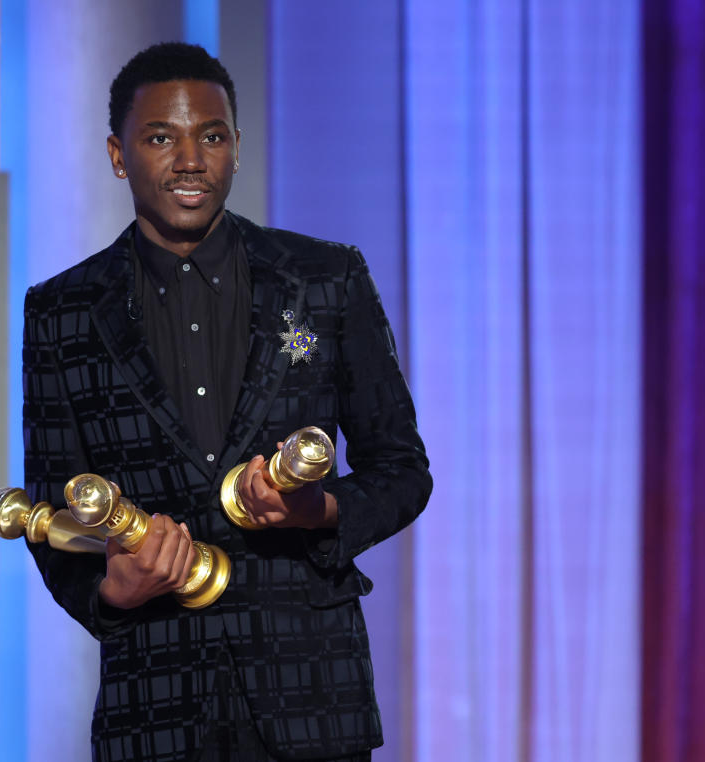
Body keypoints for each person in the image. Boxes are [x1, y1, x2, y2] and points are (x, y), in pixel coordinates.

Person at [23, 42, 432, 762]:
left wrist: (321, 510)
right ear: (118, 155)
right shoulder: (61, 311)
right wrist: (111, 592)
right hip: (153, 703)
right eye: (161, 138)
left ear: (237, 148)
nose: (190, 160)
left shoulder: (326, 278)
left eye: (211, 136)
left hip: (312, 698)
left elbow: (401, 469)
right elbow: (51, 505)